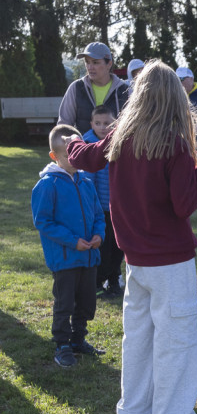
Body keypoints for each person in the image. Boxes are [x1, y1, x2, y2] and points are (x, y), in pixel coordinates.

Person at [67, 61, 197, 414]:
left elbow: (85, 157)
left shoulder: (121, 135)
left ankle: (134, 411)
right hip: (168, 257)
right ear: (177, 99)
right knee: (175, 337)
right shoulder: (176, 144)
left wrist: (69, 140)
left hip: (135, 257)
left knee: (139, 337)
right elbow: (184, 204)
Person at [32, 125, 105, 368]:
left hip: (89, 256)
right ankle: (62, 344)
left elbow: (98, 214)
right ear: (54, 156)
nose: (73, 161)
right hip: (65, 258)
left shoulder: (85, 181)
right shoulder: (47, 185)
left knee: (86, 301)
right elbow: (44, 221)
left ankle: (78, 339)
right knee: (65, 302)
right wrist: (72, 241)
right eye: (67, 157)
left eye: (76, 155)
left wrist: (98, 235)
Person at [81, 105, 124, 297]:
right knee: (103, 247)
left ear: (115, 123)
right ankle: (98, 281)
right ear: (91, 124)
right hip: (99, 209)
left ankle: (114, 280)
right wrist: (92, 206)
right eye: (97, 123)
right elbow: (88, 181)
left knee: (119, 246)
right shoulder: (88, 145)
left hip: (120, 207)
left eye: (107, 123)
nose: (102, 127)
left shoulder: (121, 143)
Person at [58, 42, 130, 134]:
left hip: (116, 148)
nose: (90, 67)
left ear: (109, 64)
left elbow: (134, 127)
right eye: (87, 62)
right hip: (83, 148)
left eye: (95, 62)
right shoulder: (76, 88)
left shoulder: (126, 90)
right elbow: (64, 126)